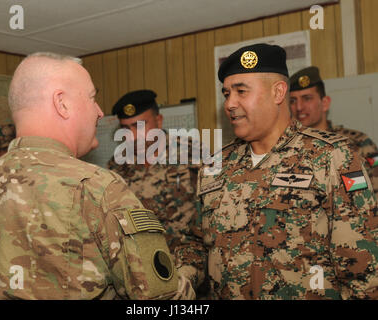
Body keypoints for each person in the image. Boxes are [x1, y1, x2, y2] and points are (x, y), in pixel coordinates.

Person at [0, 52, 194, 300]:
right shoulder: (97, 188)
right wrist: (189, 275)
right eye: (92, 98)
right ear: (62, 103)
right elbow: (162, 298)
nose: (100, 112)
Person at [176, 43, 378, 299]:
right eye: (226, 93)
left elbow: (363, 269)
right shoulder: (215, 166)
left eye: (241, 91)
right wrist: (183, 277)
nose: (230, 103)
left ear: (278, 92)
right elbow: (197, 242)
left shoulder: (332, 156)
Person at [108, 90, 207, 295]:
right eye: (126, 128)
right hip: (142, 277)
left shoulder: (192, 153)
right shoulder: (116, 167)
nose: (133, 136)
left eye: (139, 126)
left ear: (159, 120)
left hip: (192, 272)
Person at [289, 66, 378, 197]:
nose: (299, 107)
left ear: (325, 103)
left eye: (307, 98)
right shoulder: (286, 148)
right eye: (292, 101)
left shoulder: (357, 143)